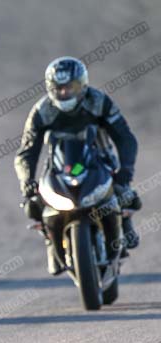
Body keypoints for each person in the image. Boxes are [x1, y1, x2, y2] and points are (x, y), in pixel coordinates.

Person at [14, 56, 140, 274]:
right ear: (50, 88)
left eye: (69, 88)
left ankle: (125, 224)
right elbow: (27, 151)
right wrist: (27, 181)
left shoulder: (99, 101)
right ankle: (51, 244)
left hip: (98, 158)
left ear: (82, 85)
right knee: (33, 205)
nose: (64, 93)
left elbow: (125, 138)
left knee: (125, 193)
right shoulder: (42, 110)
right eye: (58, 88)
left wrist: (125, 171)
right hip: (59, 165)